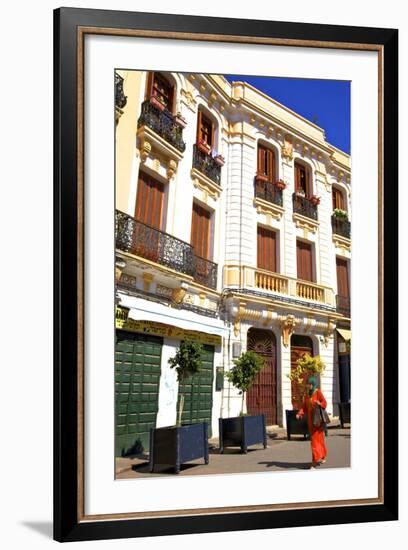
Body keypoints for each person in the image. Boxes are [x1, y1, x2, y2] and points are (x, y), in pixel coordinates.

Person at [296, 376, 328, 469]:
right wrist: (299, 413)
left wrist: (320, 403)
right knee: (315, 440)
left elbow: (325, 403)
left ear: (313, 384)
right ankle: (322, 456)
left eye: (310, 384)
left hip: (318, 421)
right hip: (311, 422)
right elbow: (304, 407)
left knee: (317, 440)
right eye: (308, 384)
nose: (308, 386)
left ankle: (314, 462)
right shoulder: (307, 395)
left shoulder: (318, 392)